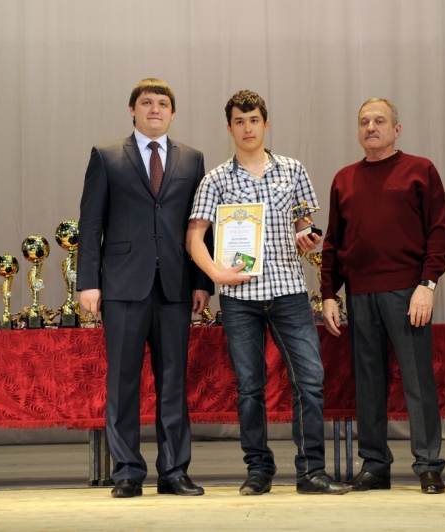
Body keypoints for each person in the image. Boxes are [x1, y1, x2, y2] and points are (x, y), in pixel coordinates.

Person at [186, 90, 351, 496]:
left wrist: (308, 235)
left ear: (266, 123)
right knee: (250, 387)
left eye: (254, 120)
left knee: (310, 380)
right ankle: (258, 469)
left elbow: (305, 223)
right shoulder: (216, 179)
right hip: (239, 298)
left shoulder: (292, 170)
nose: (248, 128)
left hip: (289, 290)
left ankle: (311, 471)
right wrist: (216, 272)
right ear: (229, 128)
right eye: (239, 122)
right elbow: (194, 237)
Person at [77, 78, 213, 498]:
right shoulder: (106, 156)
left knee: (174, 382)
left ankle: (174, 471)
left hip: (175, 286)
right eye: (147, 102)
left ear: (173, 113)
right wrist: (88, 283)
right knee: (123, 383)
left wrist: (202, 282)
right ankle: (127, 472)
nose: (155, 109)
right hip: (122, 287)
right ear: (132, 110)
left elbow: (201, 226)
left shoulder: (192, 159)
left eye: (163, 103)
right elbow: (91, 224)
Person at [320, 98, 445, 494]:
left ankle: (428, 464)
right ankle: (375, 465)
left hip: (408, 294)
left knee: (417, 382)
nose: (371, 127)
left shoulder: (420, 170)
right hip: (360, 295)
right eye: (364, 121)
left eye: (379, 121)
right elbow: (333, 243)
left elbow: (439, 233)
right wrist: (329, 295)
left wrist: (427, 286)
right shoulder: (344, 179)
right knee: (368, 384)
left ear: (397, 129)